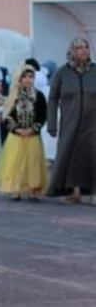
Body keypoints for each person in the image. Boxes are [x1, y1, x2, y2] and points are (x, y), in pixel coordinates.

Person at [47, 37, 96, 205]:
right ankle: (75, 191)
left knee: (93, 155)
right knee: (72, 156)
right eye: (79, 48)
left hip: (93, 124)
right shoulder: (62, 73)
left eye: (86, 47)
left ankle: (94, 192)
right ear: (72, 52)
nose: (83, 50)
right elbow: (52, 98)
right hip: (70, 122)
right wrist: (52, 124)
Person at [0, 65, 48, 201]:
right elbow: (7, 115)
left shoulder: (39, 96)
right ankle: (15, 190)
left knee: (32, 162)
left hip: (32, 135)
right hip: (16, 136)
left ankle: (33, 190)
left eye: (31, 77)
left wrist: (33, 128)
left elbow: (42, 115)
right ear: (19, 79)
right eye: (25, 77)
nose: (28, 80)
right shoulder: (13, 95)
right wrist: (16, 129)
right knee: (15, 163)